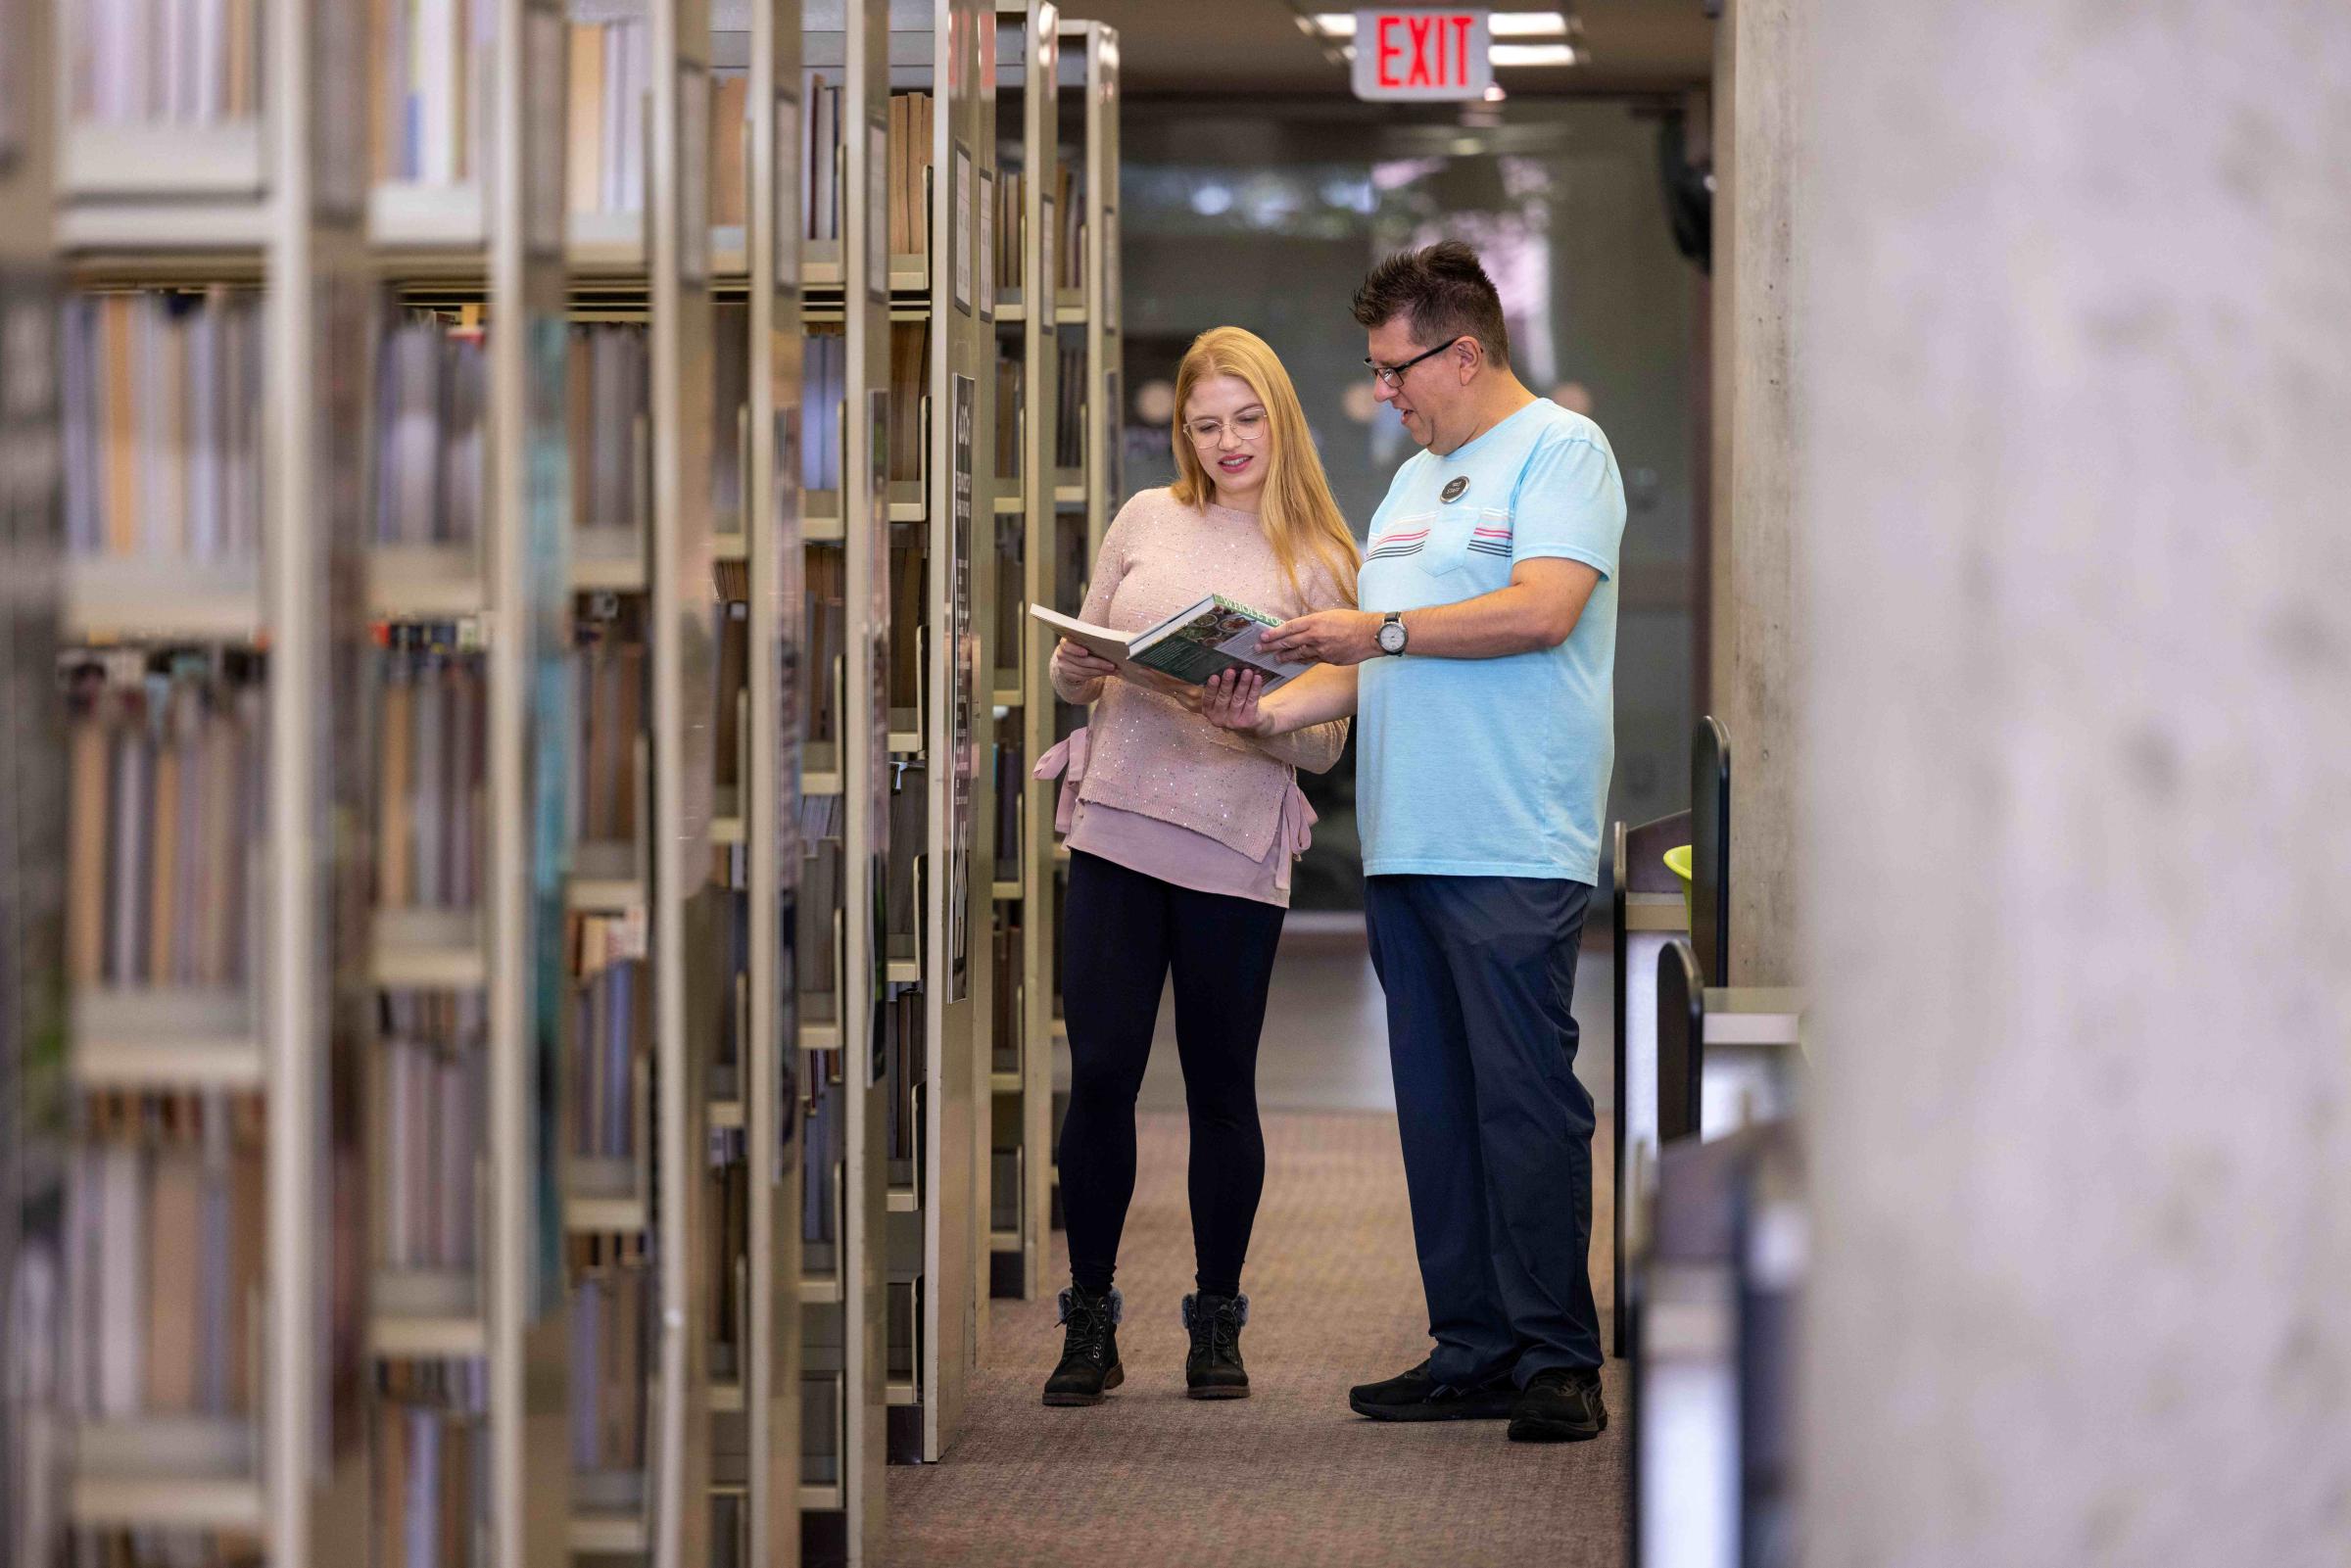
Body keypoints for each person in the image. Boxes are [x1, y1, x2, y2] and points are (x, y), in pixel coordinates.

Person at [1201, 242, 1626, 1444]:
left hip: (1513, 837)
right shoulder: (1405, 489)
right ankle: (1474, 1345)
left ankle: (1556, 1357)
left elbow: (1543, 609)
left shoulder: (1560, 452)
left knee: (1524, 1104)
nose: (1384, 390)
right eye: (1379, 369)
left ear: (1467, 351)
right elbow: (1368, 672)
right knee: (1439, 1108)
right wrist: (1268, 711)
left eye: (1397, 369)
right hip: (1406, 841)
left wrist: (1374, 629)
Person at [1035, 325, 1359, 1407]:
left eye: (1247, 418)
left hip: (1231, 847)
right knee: (1104, 1075)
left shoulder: (1322, 555)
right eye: (1205, 422)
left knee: (1223, 1088)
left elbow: (1326, 743)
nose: (1227, 441)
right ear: (1183, 429)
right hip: (1117, 824)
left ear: (1281, 418)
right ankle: (1089, 1319)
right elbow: (1079, 662)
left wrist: (1256, 717)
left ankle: (1216, 1321)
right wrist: (1077, 665)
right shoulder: (1144, 517)